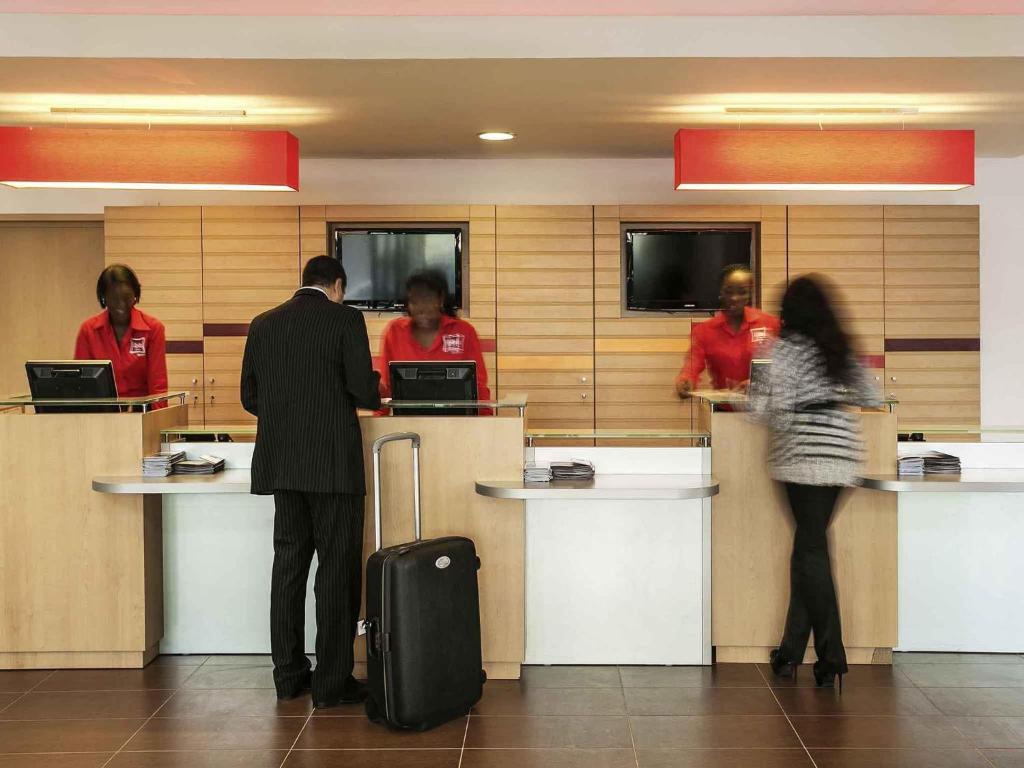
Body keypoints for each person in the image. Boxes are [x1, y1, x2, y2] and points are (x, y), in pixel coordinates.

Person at [240, 255, 381, 708]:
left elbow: (250, 396)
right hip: (334, 468)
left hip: (283, 466)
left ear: (304, 283)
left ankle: (288, 676)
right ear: (337, 285)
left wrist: (289, 419)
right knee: (336, 573)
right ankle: (331, 682)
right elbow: (363, 389)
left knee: (288, 568)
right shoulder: (345, 320)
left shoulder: (263, 324)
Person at [748, 274, 881, 690]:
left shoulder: (782, 350)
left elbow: (768, 411)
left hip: (802, 458)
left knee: (809, 551)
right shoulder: (838, 348)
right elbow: (874, 398)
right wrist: (832, 396)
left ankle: (831, 656)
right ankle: (788, 654)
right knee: (811, 548)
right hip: (842, 456)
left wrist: (766, 401)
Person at [377, 270, 491, 401]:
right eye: (414, 301)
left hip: (457, 419)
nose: (421, 308)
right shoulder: (394, 332)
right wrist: (379, 420)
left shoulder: (464, 332)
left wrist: (485, 420)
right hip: (407, 419)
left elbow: (479, 385)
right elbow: (386, 388)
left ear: (440, 299)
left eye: (427, 300)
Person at [675, 264, 779, 398]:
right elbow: (692, 366)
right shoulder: (704, 331)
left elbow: (784, 368)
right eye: (729, 291)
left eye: (742, 292)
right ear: (721, 292)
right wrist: (685, 381)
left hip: (764, 410)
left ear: (750, 293)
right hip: (723, 411)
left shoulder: (770, 324)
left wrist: (758, 384)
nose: (735, 298)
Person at [74, 264, 167, 398]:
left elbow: (158, 386)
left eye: (126, 297)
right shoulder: (88, 330)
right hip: (101, 413)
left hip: (141, 413)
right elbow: (80, 384)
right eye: (114, 298)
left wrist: (158, 418)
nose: (121, 304)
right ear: (103, 298)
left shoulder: (153, 329)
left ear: (135, 295)